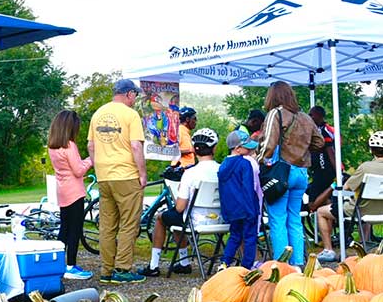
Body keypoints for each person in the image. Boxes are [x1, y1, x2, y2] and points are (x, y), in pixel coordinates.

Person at [87, 78, 148, 284]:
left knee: (107, 225)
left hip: (104, 176)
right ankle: (123, 269)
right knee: (129, 223)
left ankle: (106, 270)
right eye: (135, 95)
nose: (135, 99)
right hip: (126, 175)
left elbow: (91, 146)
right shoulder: (131, 115)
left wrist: (99, 167)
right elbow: (136, 146)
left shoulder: (98, 114)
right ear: (129, 93)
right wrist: (142, 173)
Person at [257, 81, 325, 266]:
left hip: (281, 173)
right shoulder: (305, 117)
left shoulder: (276, 114)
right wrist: (302, 150)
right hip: (301, 173)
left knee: (278, 219)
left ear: (272, 96)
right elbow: (319, 142)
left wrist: (258, 161)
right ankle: (297, 264)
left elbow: (269, 144)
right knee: (294, 219)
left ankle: (282, 266)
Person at [141, 128, 221, 276]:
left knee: (162, 218)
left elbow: (180, 207)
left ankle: (154, 265)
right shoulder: (222, 170)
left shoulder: (190, 174)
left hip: (195, 220)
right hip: (221, 220)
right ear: (214, 148)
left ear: (195, 150)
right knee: (178, 219)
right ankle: (183, 263)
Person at [315, 131, 383, 262]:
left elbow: (346, 187)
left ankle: (328, 250)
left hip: (360, 211)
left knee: (321, 212)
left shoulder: (366, 167)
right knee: (366, 207)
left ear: (371, 149)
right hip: (382, 211)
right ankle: (363, 245)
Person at [47, 110, 93, 280]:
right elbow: (78, 170)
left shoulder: (53, 146)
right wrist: (91, 159)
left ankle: (58, 263)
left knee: (64, 228)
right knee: (75, 229)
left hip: (62, 191)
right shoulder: (69, 145)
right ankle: (71, 266)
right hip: (74, 192)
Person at [217, 128, 263, 269]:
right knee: (250, 237)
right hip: (247, 208)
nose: (250, 150)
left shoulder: (223, 166)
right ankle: (247, 267)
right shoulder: (245, 164)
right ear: (237, 148)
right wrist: (253, 210)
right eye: (246, 147)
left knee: (235, 236)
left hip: (231, 210)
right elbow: (248, 188)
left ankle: (224, 263)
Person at [305, 105, 336, 215]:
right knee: (325, 202)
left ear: (319, 116)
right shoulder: (316, 130)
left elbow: (330, 152)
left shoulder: (323, 132)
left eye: (311, 115)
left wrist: (338, 172)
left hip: (323, 171)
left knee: (312, 205)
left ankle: (333, 187)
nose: (309, 117)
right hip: (318, 171)